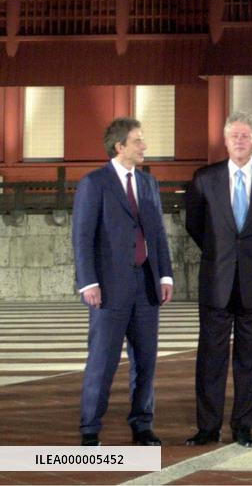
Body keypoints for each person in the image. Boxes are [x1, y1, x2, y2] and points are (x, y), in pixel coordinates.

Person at [184, 111, 252, 448]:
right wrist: (222, 253)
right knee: (210, 359)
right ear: (225, 140)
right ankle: (208, 427)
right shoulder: (205, 179)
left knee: (251, 360)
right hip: (217, 282)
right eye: (234, 135)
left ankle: (244, 426)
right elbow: (195, 225)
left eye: (246, 135)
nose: (240, 141)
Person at [73, 117, 173, 447]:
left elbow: (157, 234)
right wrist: (88, 282)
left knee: (145, 361)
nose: (144, 146)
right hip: (108, 288)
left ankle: (142, 425)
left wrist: (165, 274)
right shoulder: (94, 183)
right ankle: (90, 428)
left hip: (146, 287)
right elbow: (82, 236)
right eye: (138, 140)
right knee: (102, 361)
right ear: (120, 146)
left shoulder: (148, 183)